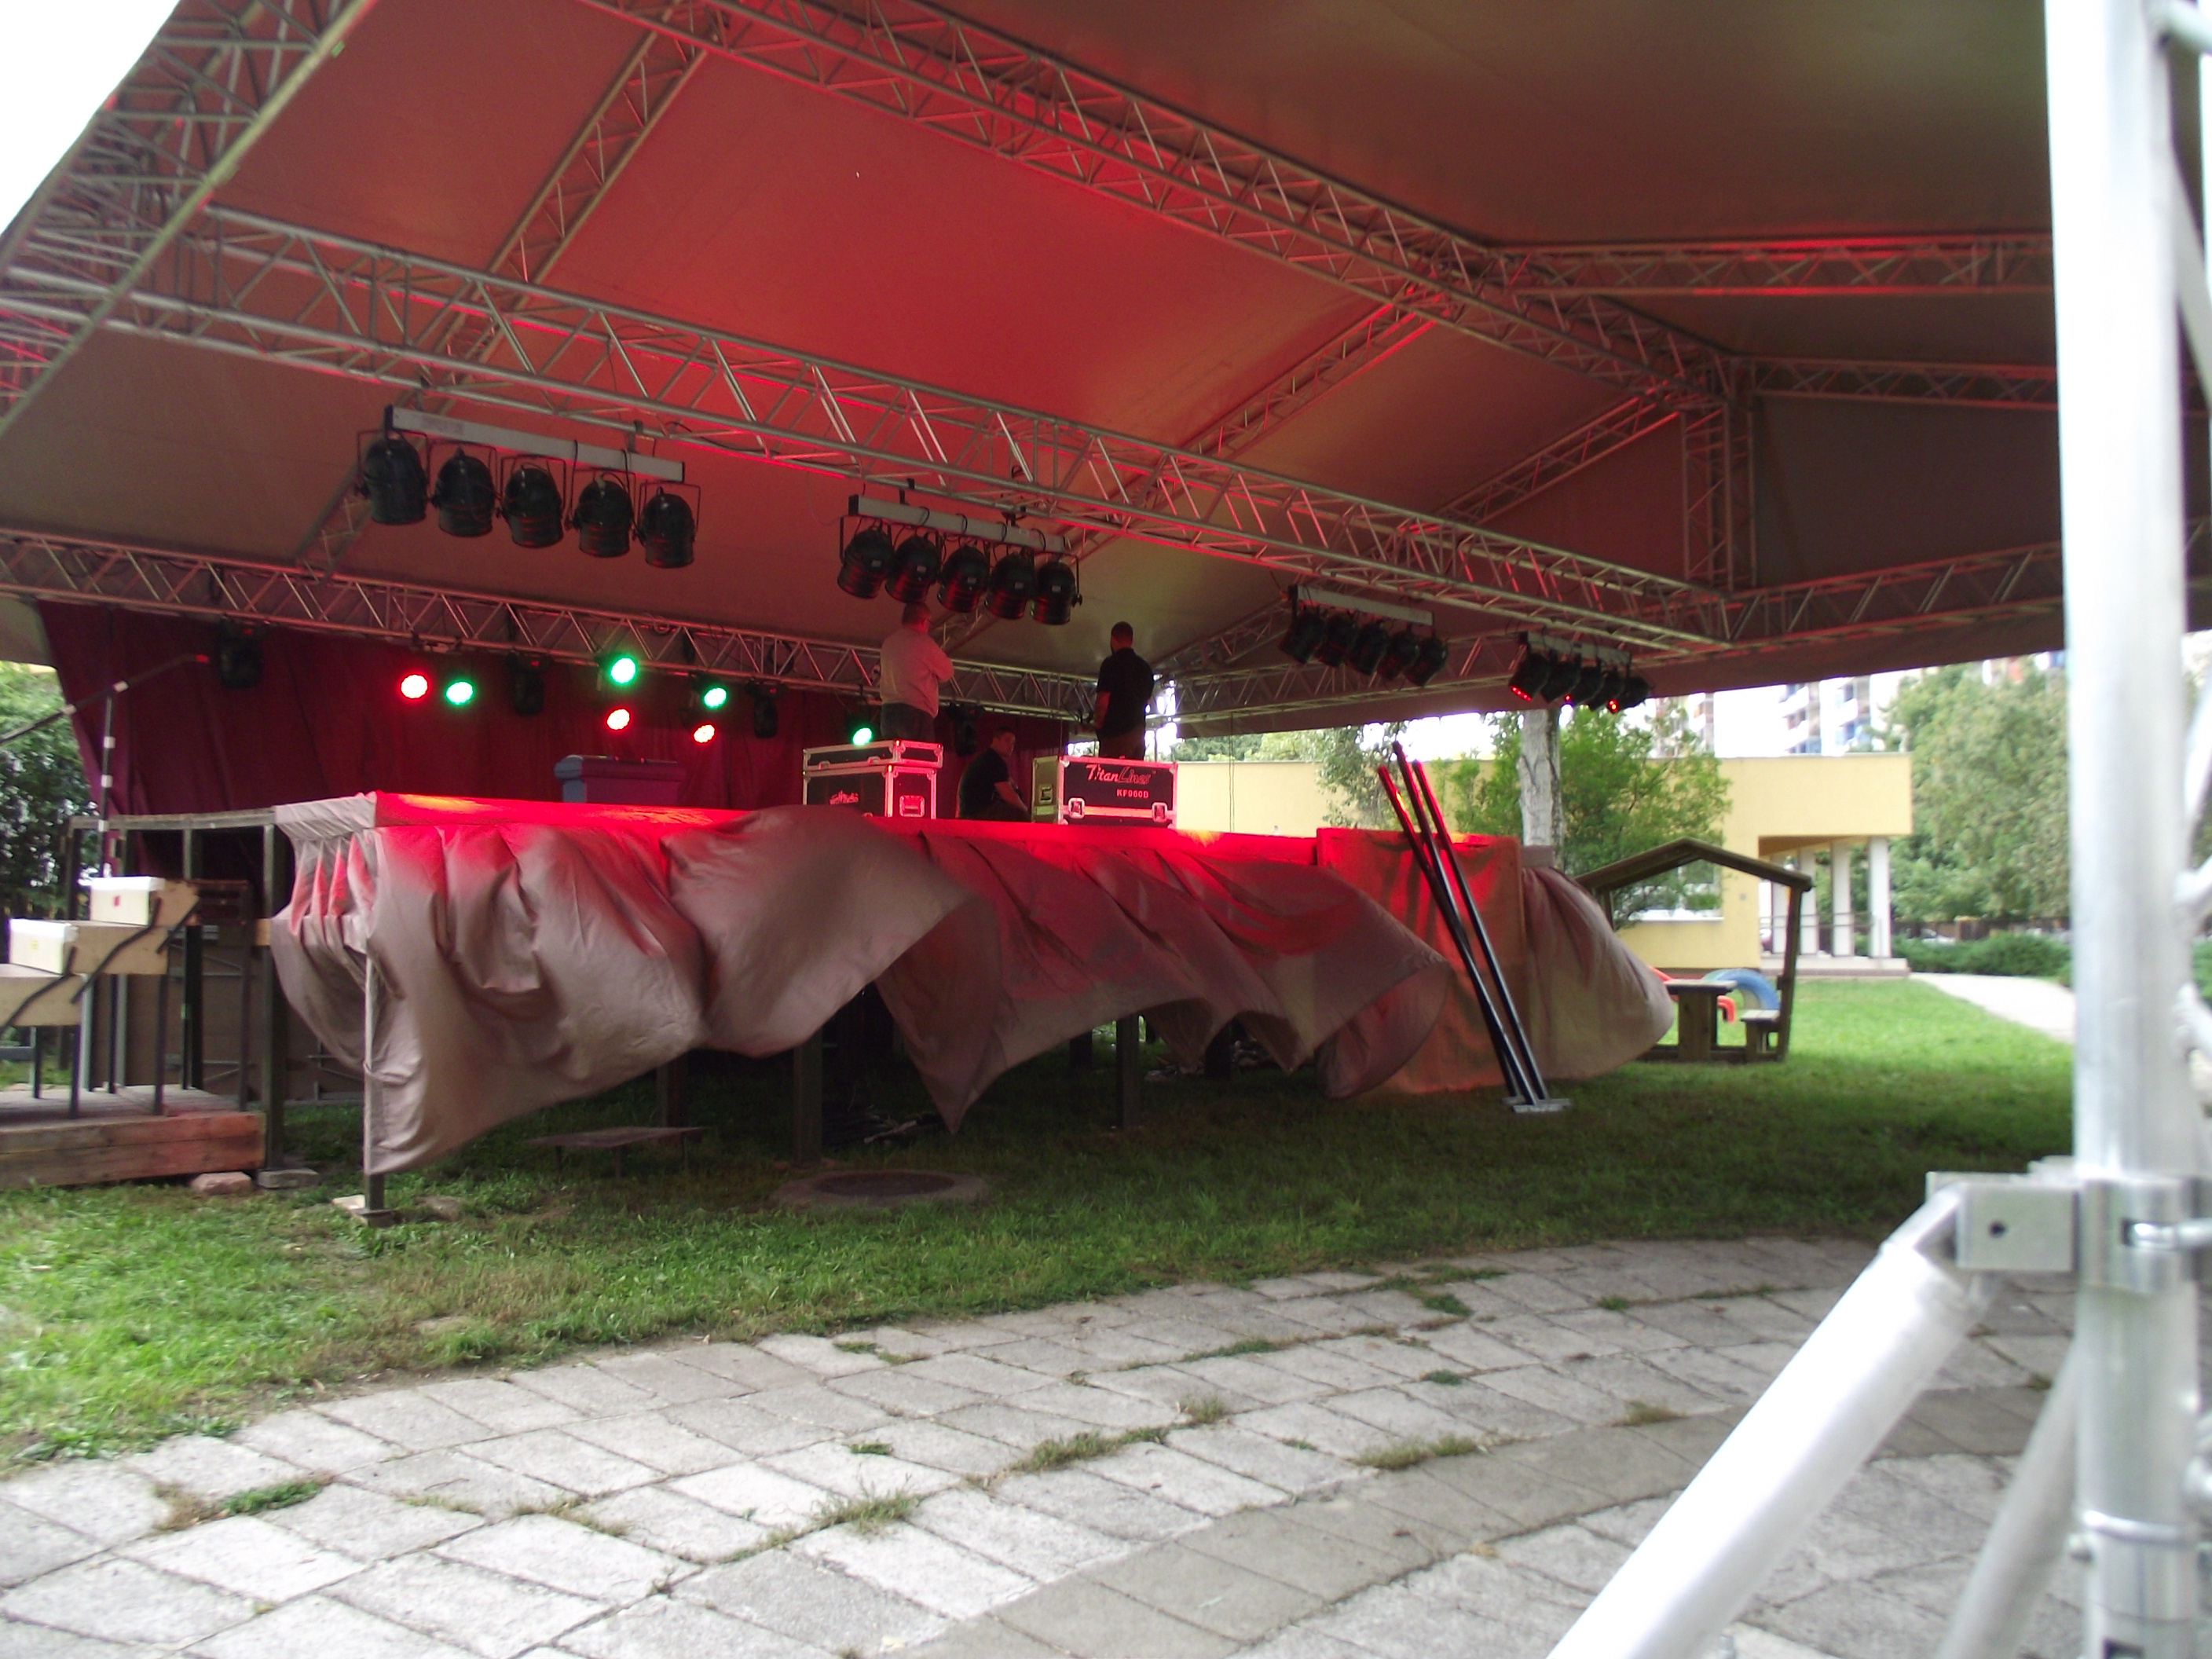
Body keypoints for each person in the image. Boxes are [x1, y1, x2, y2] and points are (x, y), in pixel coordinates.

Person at [877, 602, 953, 743]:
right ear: (924, 622)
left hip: (888, 713)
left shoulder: (889, 642)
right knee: (919, 756)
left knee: (895, 756)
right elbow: (947, 671)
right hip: (915, 713)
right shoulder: (923, 643)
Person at [1093, 621, 1153, 760]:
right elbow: (1147, 701)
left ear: (1113, 639)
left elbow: (1103, 700)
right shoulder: (1145, 668)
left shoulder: (1110, 664)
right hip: (1138, 734)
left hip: (1116, 735)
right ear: (1132, 640)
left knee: (1111, 772)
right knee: (1134, 772)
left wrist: (1099, 727)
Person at [958, 727, 1028, 821]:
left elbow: (1010, 784)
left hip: (968, 812)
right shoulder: (994, 761)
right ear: (996, 740)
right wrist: (1026, 810)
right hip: (978, 812)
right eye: (1007, 741)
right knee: (1021, 815)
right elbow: (1007, 794)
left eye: (1013, 743)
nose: (1010, 746)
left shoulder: (985, 758)